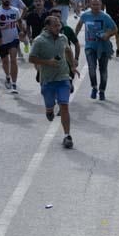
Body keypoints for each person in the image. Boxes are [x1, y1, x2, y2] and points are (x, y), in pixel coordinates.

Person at [28, 14, 76, 149]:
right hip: (47, 80)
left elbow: (68, 51)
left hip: (63, 77)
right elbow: (31, 58)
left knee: (64, 106)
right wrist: (47, 62)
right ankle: (49, 109)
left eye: (59, 25)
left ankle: (67, 136)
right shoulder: (39, 41)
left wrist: (72, 65)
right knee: (50, 105)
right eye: (55, 25)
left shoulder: (63, 38)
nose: (58, 27)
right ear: (47, 27)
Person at [78, 0, 116, 101]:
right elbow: (79, 24)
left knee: (103, 70)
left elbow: (114, 29)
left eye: (98, 4)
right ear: (90, 5)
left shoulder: (105, 17)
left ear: (101, 5)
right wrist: (74, 38)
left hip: (102, 47)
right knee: (92, 68)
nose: (96, 6)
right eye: (94, 4)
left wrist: (107, 35)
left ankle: (102, 90)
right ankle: (94, 87)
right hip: (90, 46)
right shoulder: (85, 15)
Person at [0, 0, 23, 94]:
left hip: (14, 39)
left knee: (13, 60)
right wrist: (0, 27)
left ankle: (14, 84)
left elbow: (19, 22)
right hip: (1, 41)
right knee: (5, 61)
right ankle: (8, 76)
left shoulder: (15, 10)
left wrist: (22, 32)